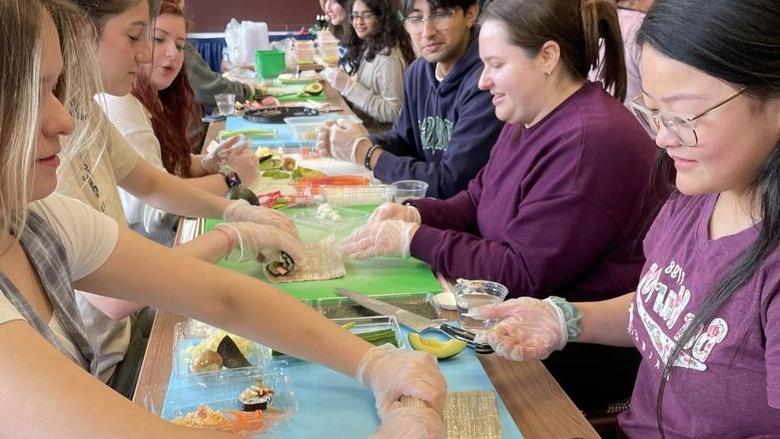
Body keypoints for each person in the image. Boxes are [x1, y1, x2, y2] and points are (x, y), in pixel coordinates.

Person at [0, 0, 446, 436]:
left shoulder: (42, 218)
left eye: (56, 89)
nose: (65, 120)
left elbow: (224, 298)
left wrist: (374, 362)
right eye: (32, 93)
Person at [469, 0, 780, 436]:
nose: (662, 137)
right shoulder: (695, 194)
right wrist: (566, 320)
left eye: (684, 115)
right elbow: (667, 310)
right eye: (653, 111)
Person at [341, 0, 656, 410]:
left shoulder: (589, 141)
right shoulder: (526, 116)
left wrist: (414, 238)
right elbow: (476, 198)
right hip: (511, 323)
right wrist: (417, 213)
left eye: (495, 64)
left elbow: (521, 273)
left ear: (548, 57)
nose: (483, 81)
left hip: (567, 360)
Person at [57, 0, 302, 398]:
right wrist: (232, 235)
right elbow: (114, 296)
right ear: (78, 34)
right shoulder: (55, 134)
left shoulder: (85, 110)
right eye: (138, 37)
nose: (147, 54)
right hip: (99, 371)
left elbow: (154, 184)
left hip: (120, 338)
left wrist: (231, 208)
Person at [99, 0, 257, 246]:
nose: (172, 52)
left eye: (180, 45)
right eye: (158, 40)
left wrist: (206, 163)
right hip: (158, 250)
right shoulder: (122, 106)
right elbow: (157, 212)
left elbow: (160, 166)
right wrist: (231, 178)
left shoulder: (152, 99)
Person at [317, 0, 503, 199]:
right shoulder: (419, 71)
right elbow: (405, 141)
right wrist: (356, 141)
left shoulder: (487, 83)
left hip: (461, 218)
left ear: (470, 14)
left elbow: (451, 183)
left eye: (440, 14)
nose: (427, 31)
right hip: (428, 207)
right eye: (415, 18)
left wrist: (368, 154)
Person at [321, 0, 415, 132]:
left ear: (380, 18)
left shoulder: (388, 57)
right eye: (355, 16)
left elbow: (394, 112)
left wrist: (348, 87)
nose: (359, 22)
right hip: (362, 130)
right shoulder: (369, 45)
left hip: (378, 140)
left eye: (366, 15)